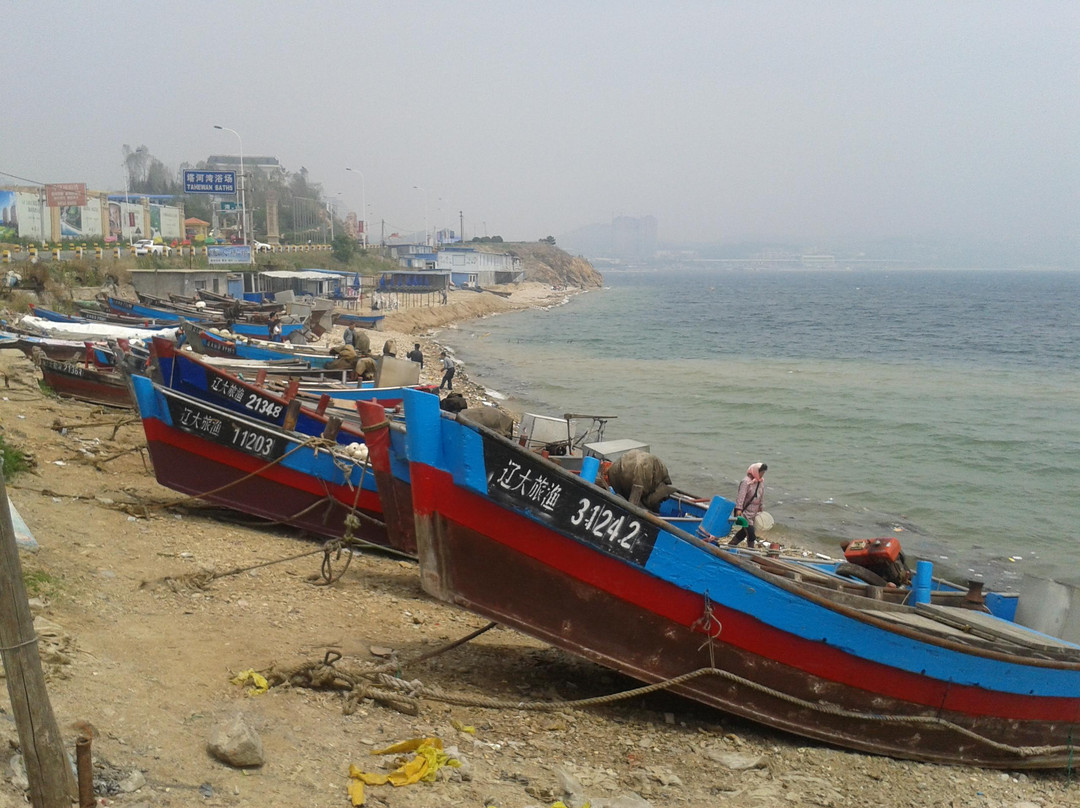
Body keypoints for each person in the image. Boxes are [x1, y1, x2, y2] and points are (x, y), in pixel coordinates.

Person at [728, 463, 768, 548]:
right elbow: (741, 496)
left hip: (753, 512)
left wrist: (761, 507)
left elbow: (761, 495)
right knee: (750, 533)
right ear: (756, 471)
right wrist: (738, 509)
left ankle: (731, 545)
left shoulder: (760, 482)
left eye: (764, 473)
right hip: (744, 512)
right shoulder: (746, 482)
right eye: (761, 472)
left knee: (744, 531)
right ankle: (751, 550)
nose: (762, 475)